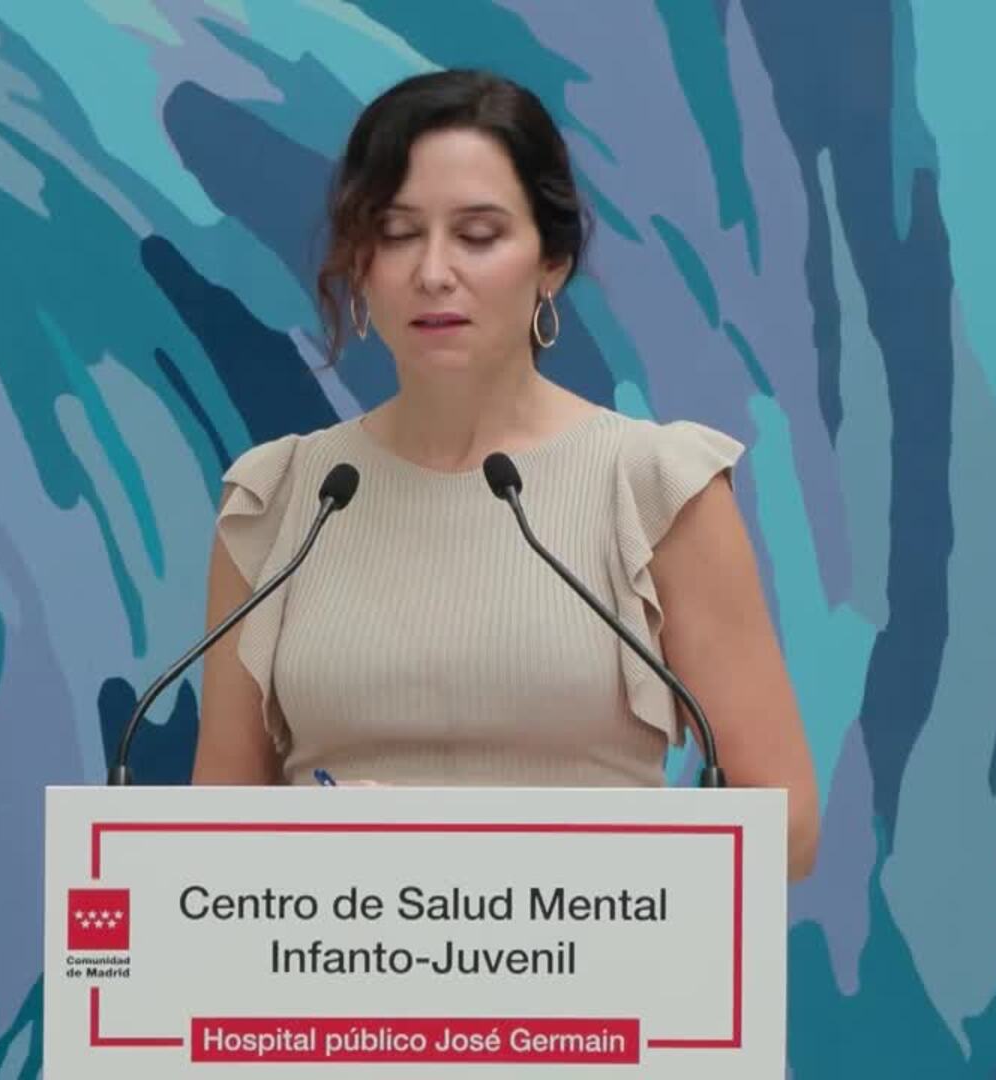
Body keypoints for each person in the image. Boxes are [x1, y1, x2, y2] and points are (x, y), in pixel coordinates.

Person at [191, 69, 819, 879]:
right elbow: (209, 830)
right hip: (329, 950)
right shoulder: (279, 498)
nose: (433, 272)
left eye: (479, 235)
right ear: (360, 263)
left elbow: (786, 827)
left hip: (588, 951)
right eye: (396, 232)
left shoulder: (654, 486)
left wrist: (497, 860)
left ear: (551, 261)